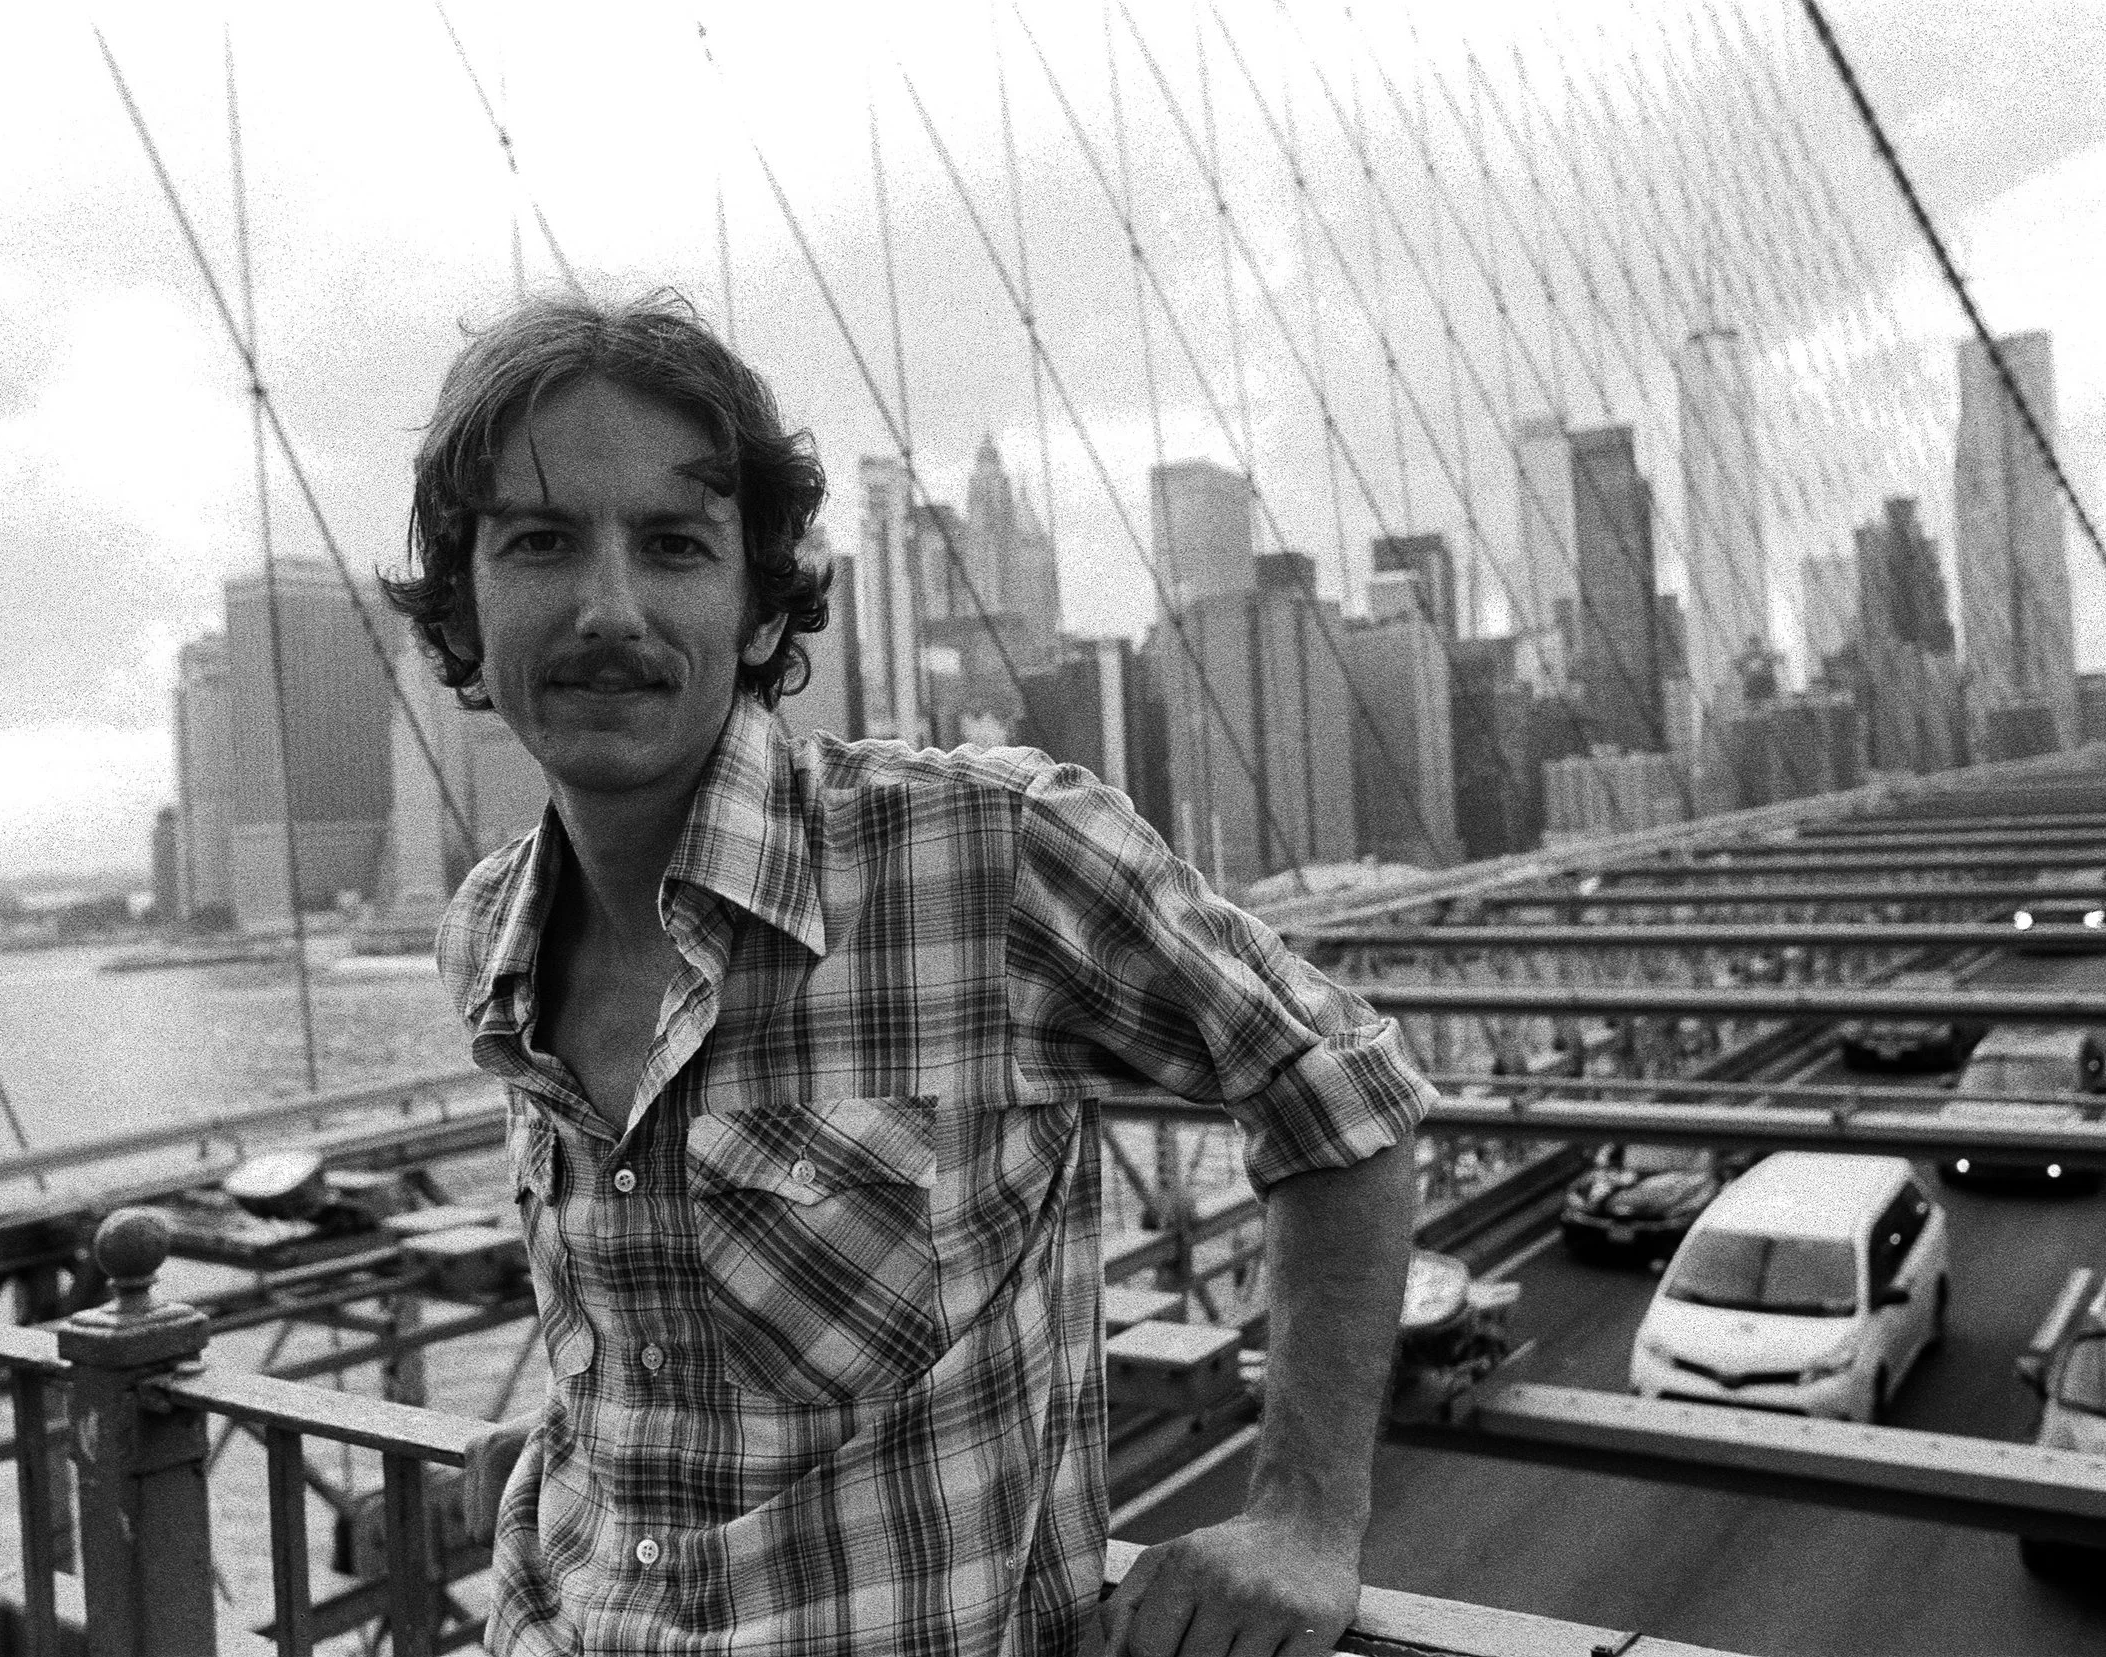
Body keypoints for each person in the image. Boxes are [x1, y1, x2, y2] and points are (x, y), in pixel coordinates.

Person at [385, 288, 1427, 1657]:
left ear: (759, 608)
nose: (609, 607)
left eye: (676, 545)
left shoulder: (989, 851)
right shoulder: (490, 932)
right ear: (464, 604)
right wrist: (596, 1424)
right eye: (538, 542)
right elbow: (665, 1277)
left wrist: (1303, 1518)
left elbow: (1341, 1094)